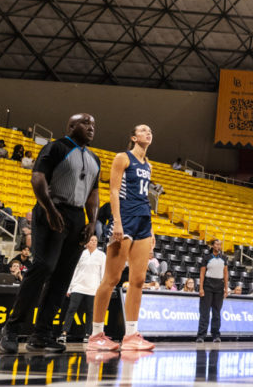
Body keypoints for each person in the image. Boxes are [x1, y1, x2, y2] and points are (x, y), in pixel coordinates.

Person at [0, 113, 100, 354]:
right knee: (43, 267)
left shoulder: (95, 158)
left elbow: (93, 193)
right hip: (51, 209)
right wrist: (50, 209)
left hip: (77, 218)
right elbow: (38, 178)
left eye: (93, 124)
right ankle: (12, 329)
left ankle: (41, 335)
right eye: (86, 123)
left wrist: (92, 221)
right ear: (71, 126)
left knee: (63, 277)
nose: (91, 128)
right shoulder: (55, 147)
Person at [87, 124, 156, 352]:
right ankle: (96, 335)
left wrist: (152, 230)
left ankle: (131, 335)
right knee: (112, 279)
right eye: (144, 130)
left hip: (143, 221)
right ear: (134, 136)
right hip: (124, 218)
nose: (148, 133)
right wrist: (116, 221)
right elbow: (114, 191)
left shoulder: (149, 165)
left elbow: (145, 197)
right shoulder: (122, 158)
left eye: (150, 131)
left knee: (138, 280)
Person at [61, 235, 104, 343]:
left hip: (93, 288)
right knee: (71, 309)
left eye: (95, 240)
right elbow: (75, 271)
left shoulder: (101, 255)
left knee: (90, 312)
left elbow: (103, 273)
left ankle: (88, 334)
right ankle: (64, 333)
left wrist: (101, 288)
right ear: (87, 242)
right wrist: (70, 288)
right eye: (91, 240)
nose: (94, 242)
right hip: (78, 286)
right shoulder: (81, 253)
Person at [197, 238, 229, 343]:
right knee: (205, 312)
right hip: (208, 286)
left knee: (216, 312)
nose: (219, 246)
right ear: (212, 246)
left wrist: (226, 288)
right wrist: (201, 288)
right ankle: (201, 336)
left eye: (220, 244)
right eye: (217, 244)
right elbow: (202, 273)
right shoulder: (206, 258)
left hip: (219, 286)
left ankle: (216, 335)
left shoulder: (224, 258)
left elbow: (225, 274)